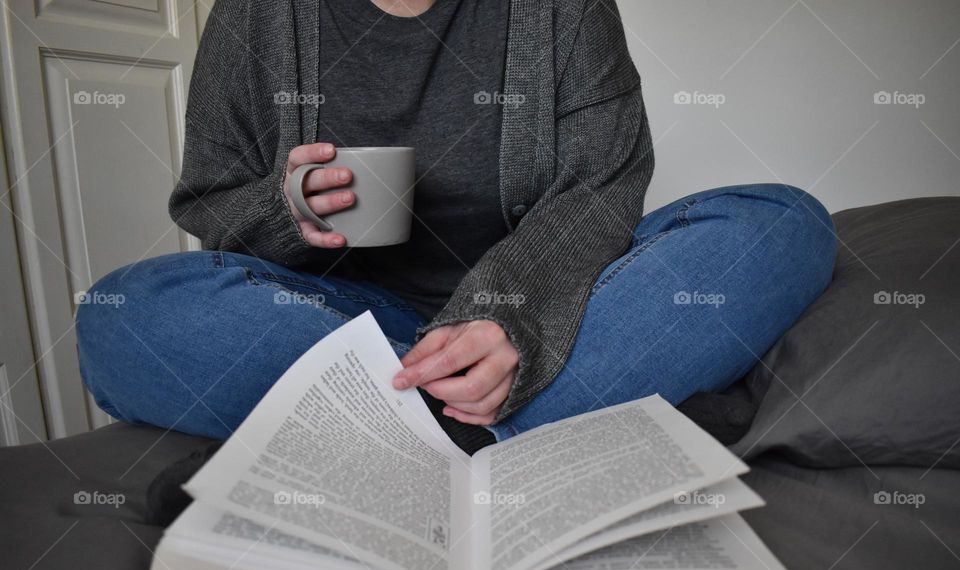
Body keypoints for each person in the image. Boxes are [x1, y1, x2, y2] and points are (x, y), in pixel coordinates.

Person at [76, 0, 837, 448]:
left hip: (551, 311)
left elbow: (602, 187)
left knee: (782, 225)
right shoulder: (257, 15)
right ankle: (495, 418)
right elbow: (208, 203)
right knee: (124, 314)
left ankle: (407, 426)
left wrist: (511, 317)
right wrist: (286, 210)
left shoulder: (563, 12)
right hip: (343, 323)